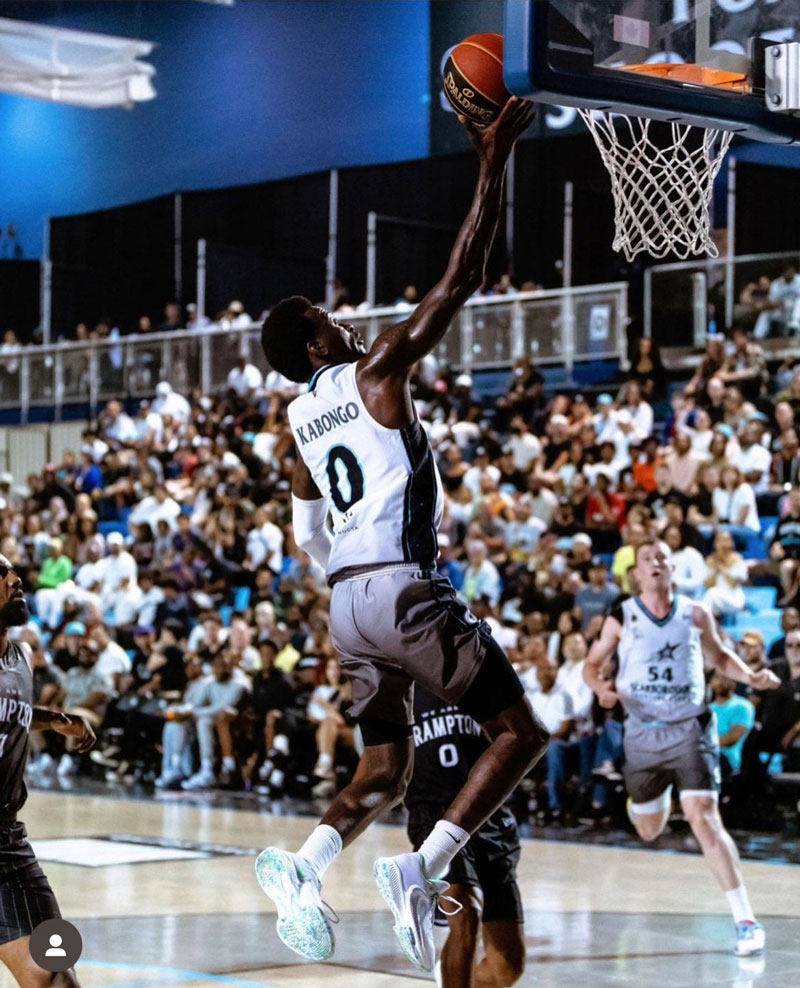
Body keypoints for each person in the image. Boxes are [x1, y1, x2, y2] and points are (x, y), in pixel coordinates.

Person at [255, 98, 547, 973]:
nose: (343, 321)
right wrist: (491, 160)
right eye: (329, 319)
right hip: (397, 587)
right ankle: (422, 868)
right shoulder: (373, 368)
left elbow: (305, 516)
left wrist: (341, 575)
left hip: (344, 602)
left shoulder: (296, 424)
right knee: (520, 731)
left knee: (382, 768)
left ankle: (304, 867)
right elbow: (461, 275)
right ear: (317, 339)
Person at [583, 537, 780, 956]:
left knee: (703, 817)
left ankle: (746, 920)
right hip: (642, 732)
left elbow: (722, 658)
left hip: (689, 728)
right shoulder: (621, 615)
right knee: (649, 830)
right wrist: (599, 687)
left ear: (672, 568)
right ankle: (647, 802)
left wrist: (752, 677)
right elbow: (591, 664)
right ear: (636, 572)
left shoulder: (695, 614)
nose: (655, 563)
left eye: (662, 558)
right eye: (647, 559)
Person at [0, 553, 96, 987]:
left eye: (14, 570)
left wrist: (53, 719)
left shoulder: (21, 656)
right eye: (0, 573)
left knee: (56, 973)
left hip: (7, 843)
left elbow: (10, 710)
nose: (15, 579)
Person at [405, 686, 525, 988]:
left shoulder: (478, 675)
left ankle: (451, 974)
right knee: (466, 912)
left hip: (489, 813)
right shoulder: (399, 684)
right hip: (434, 815)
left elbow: (517, 738)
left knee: (506, 968)